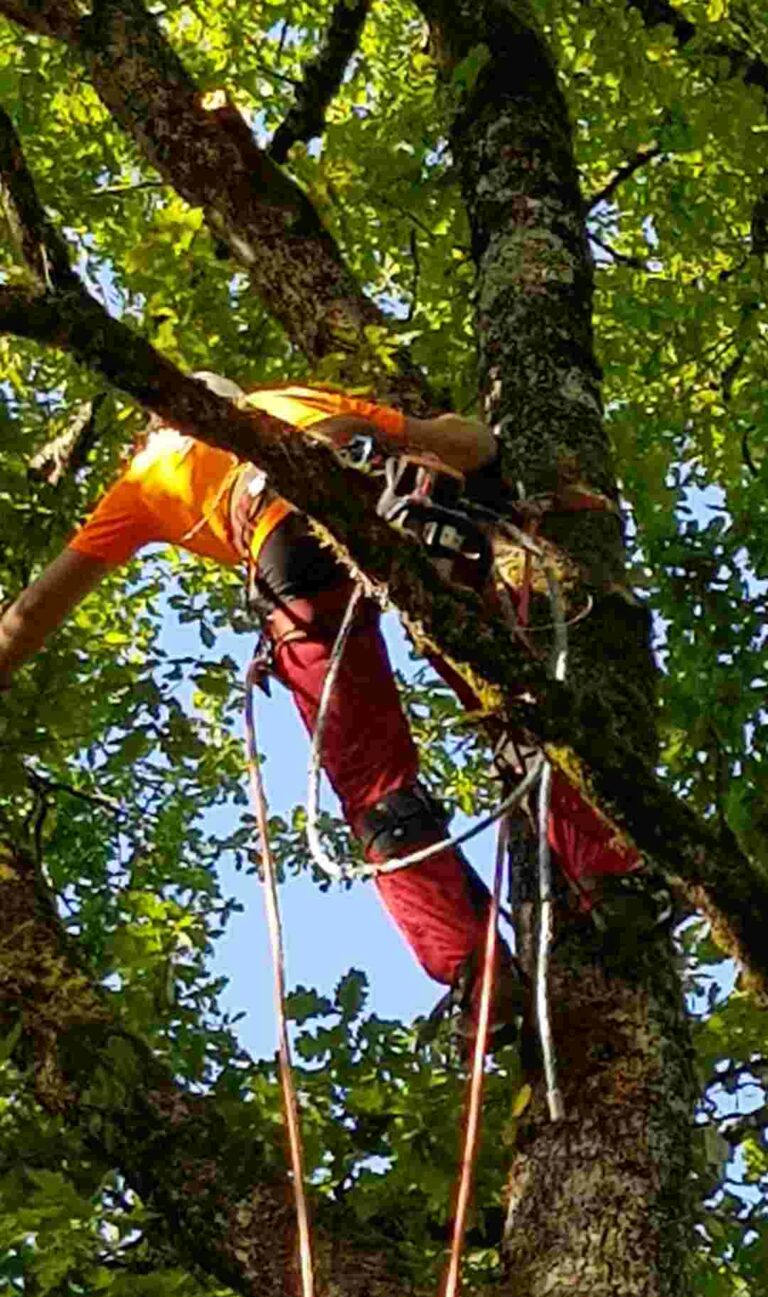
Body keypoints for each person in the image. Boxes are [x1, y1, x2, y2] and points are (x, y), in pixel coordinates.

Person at [0, 374, 640, 1049]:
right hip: (388, 506)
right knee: (513, 702)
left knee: (376, 790)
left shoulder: (146, 475)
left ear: (157, 422)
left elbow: (32, 611)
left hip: (290, 551)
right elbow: (470, 444)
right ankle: (612, 869)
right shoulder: (295, 401)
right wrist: (458, 442)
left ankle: (478, 975)